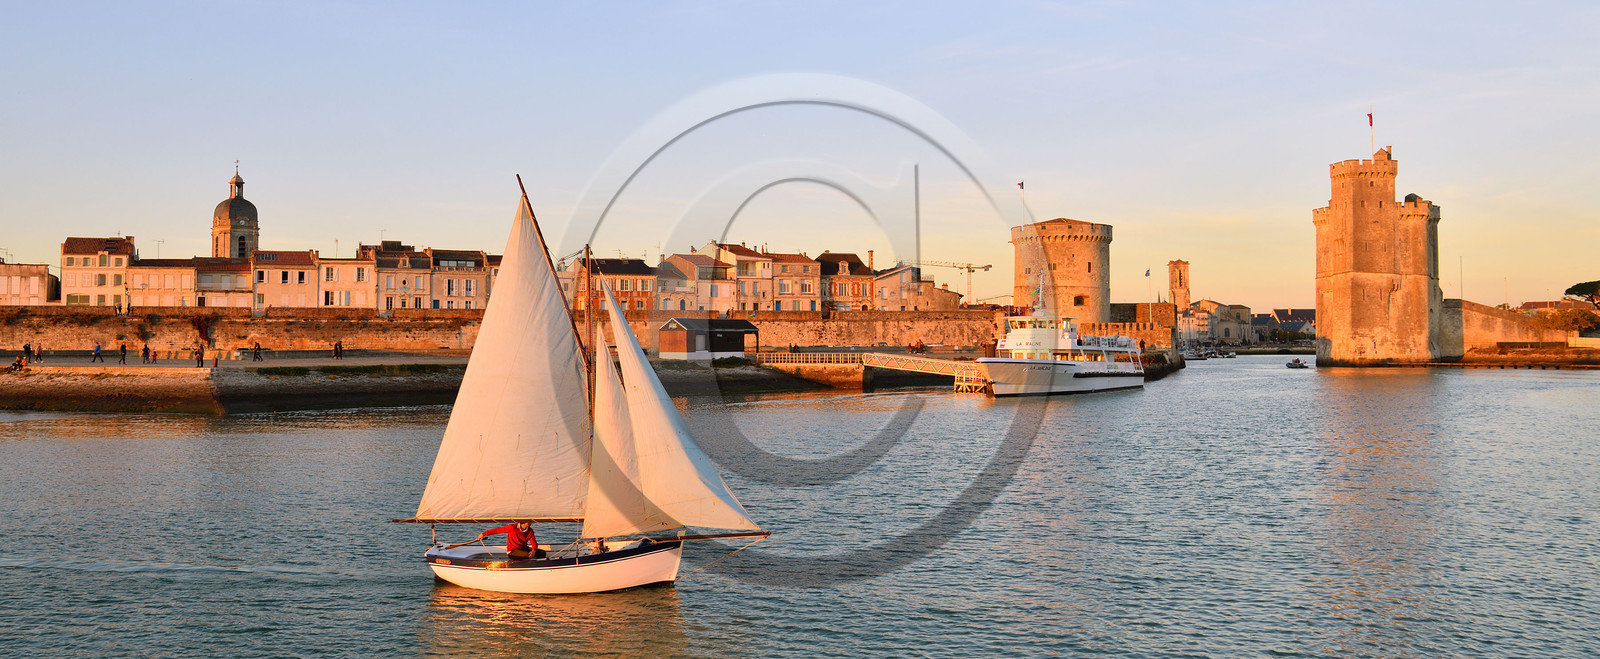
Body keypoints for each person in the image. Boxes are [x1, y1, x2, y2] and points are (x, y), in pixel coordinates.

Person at [476, 521, 546, 560]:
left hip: (523, 549)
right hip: (512, 551)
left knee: (542, 553)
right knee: (527, 555)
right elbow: (498, 530)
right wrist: (484, 534)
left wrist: (533, 551)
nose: (532, 521)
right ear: (525, 521)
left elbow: (534, 542)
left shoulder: (530, 530)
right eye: (530, 520)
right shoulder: (512, 527)